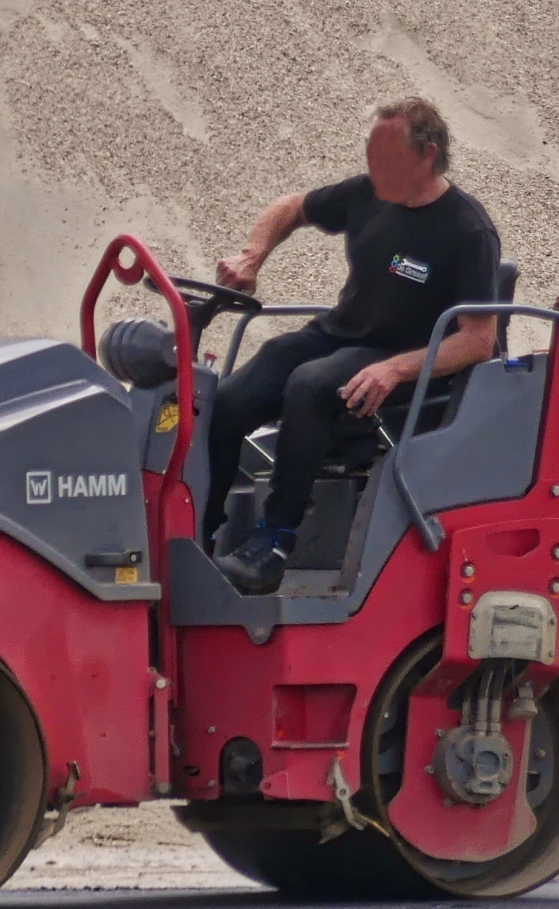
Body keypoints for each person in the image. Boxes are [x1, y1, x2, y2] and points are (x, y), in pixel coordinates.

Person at [207, 97, 502, 594]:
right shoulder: (370, 193)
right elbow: (291, 206)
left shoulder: (467, 230)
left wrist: (395, 371)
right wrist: (252, 255)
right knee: (231, 397)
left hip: (400, 355)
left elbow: (478, 340)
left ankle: (273, 544)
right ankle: (200, 528)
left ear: (427, 155)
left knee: (311, 385)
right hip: (339, 333)